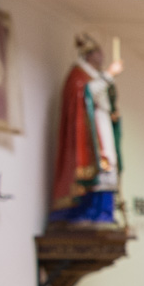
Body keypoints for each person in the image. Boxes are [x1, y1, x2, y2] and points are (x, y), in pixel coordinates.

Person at [49, 32, 122, 227]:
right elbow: (87, 95)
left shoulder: (92, 75)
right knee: (95, 168)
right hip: (88, 131)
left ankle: (102, 213)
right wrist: (109, 75)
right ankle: (86, 212)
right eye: (98, 52)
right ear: (89, 54)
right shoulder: (78, 76)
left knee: (109, 166)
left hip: (101, 125)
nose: (102, 56)